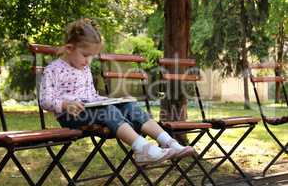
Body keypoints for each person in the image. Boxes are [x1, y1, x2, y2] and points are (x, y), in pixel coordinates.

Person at [39, 18, 194, 165]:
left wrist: (114, 100)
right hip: (71, 115)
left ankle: (169, 142)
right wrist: (65, 104)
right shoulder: (53, 70)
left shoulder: (84, 68)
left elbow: (91, 96)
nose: (88, 61)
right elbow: (45, 100)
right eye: (85, 55)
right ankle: (143, 149)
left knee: (130, 107)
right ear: (69, 48)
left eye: (92, 57)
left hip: (91, 110)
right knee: (107, 111)